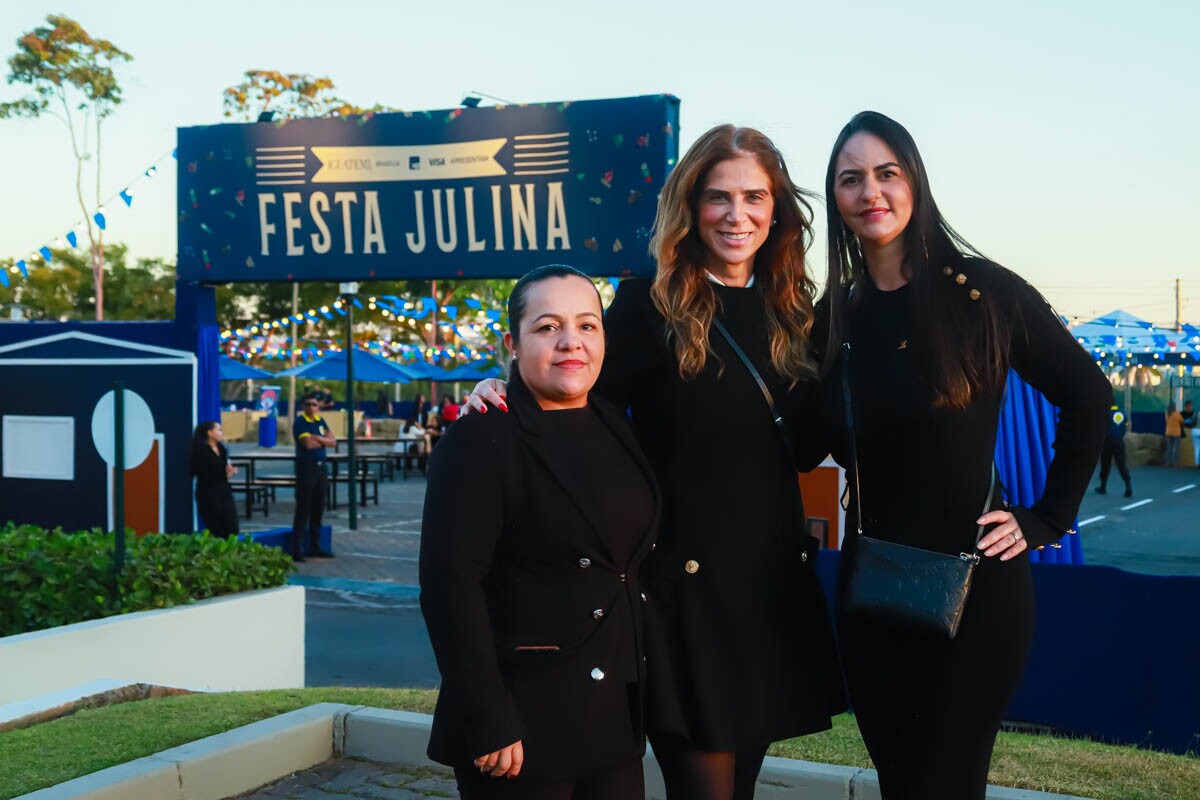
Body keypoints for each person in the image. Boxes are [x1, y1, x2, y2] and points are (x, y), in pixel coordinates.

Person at [467, 125, 846, 800]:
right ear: (691, 206)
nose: (738, 215)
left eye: (755, 197)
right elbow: (579, 390)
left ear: (778, 206)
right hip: (684, 595)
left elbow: (815, 440)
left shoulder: (795, 310)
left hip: (768, 593)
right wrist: (505, 385)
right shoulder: (651, 303)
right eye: (718, 197)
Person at [802, 111, 1110, 800]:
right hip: (874, 593)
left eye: (887, 173)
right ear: (836, 199)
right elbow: (797, 437)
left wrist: (1047, 517)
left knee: (947, 785)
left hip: (976, 594)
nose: (870, 192)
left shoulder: (983, 294)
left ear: (915, 182)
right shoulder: (835, 316)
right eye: (850, 179)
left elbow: (1089, 396)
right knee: (902, 785)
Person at [420, 265, 659, 799]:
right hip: (521, 723)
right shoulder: (481, 436)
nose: (570, 341)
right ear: (512, 341)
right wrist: (489, 715)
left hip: (613, 718)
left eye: (587, 325)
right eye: (548, 327)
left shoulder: (613, 421)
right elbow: (450, 587)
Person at [292, 394, 336, 561]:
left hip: (321, 467)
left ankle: (315, 546)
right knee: (304, 507)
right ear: (304, 406)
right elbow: (307, 444)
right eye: (308, 404)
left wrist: (318, 438)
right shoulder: (300, 422)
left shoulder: (320, 421)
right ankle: (298, 548)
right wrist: (323, 440)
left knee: (318, 506)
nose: (311, 407)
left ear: (319, 406)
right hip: (306, 467)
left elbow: (333, 441)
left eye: (314, 405)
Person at [189, 421, 239, 538]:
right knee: (217, 528)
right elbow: (204, 475)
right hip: (209, 493)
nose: (221, 433)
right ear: (210, 433)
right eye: (218, 430)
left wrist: (228, 471)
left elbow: (223, 468)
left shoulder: (222, 450)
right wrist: (226, 475)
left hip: (224, 491)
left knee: (232, 526)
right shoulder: (201, 451)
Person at [1096, 404, 1133, 497]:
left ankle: (1103, 487)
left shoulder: (1106, 413)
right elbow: (1127, 425)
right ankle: (1128, 486)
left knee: (1105, 464)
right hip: (1120, 442)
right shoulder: (1122, 413)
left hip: (1108, 442)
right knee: (1122, 465)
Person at [1165, 401, 1185, 467]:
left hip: (1168, 432)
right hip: (1176, 433)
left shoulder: (1166, 413)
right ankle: (1176, 463)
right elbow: (1182, 420)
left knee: (1169, 448)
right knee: (1176, 448)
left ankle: (1168, 462)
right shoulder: (1176, 414)